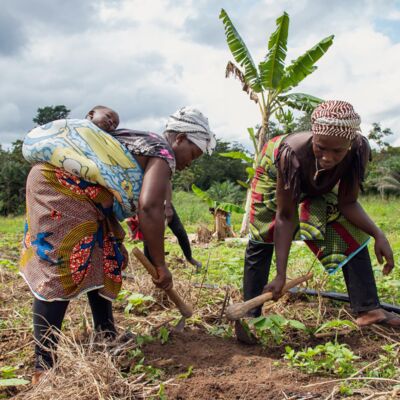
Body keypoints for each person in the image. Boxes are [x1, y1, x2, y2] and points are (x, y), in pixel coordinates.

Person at [20, 105, 215, 381]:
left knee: (106, 257)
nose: (190, 161)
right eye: (193, 153)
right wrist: (160, 265)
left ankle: (106, 336)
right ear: (180, 138)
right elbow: (149, 209)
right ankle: (44, 365)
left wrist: (157, 264)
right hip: (62, 188)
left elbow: (157, 214)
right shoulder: (162, 153)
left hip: (87, 199)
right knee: (61, 270)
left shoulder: (145, 145)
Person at [237, 100, 399, 342]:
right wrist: (281, 275)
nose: (327, 158)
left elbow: (348, 203)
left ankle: (368, 309)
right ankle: (249, 316)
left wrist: (379, 234)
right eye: (321, 147)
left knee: (348, 228)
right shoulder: (290, 153)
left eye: (337, 152)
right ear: (313, 136)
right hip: (274, 175)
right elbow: (285, 216)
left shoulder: (357, 150)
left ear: (350, 143)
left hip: (319, 182)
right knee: (263, 233)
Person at [126, 204, 203, 272]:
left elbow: (166, 188)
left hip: (163, 204)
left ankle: (190, 258)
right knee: (148, 239)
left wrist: (168, 207)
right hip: (145, 209)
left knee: (179, 231)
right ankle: (152, 270)